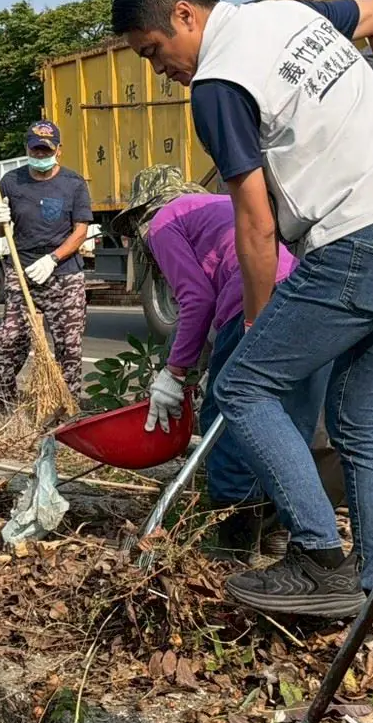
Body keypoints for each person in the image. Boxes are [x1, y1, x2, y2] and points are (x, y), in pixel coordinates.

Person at [112, 0, 373, 617]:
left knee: (243, 386)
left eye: (154, 52)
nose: (160, 70)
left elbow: (255, 223)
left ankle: (316, 557)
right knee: (359, 421)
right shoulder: (289, 17)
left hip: (359, 243)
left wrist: (256, 323)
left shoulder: (218, 83)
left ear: (184, 14)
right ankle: (372, 587)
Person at [125, 165, 333, 558]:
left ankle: (234, 548)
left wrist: (174, 373)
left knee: (228, 420)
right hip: (310, 301)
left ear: (143, 213)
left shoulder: (163, 221)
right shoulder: (217, 206)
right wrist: (198, 365)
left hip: (255, 302)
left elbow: (196, 300)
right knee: (290, 426)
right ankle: (279, 533)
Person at [0, 121, 93, 409]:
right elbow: (0, 231)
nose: (40, 155)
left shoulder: (74, 184)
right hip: (22, 271)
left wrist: (53, 258)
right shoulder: (11, 182)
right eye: (35, 150)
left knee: (69, 345)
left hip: (64, 274)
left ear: (58, 151)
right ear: (27, 149)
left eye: (46, 150)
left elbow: (81, 231)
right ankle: (3, 407)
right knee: (9, 340)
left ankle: (67, 408)